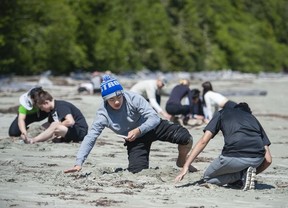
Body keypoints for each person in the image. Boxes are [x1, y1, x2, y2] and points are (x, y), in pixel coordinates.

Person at [64, 75, 197, 174]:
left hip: (152, 126)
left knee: (186, 138)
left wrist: (139, 129)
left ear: (122, 93)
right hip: (135, 139)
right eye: (111, 99)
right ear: (105, 100)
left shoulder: (133, 97)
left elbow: (154, 118)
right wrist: (78, 163)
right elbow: (90, 137)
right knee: (137, 172)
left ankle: (181, 160)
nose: (116, 102)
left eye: (118, 97)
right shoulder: (102, 115)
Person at [175, 102, 272, 191]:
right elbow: (268, 160)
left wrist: (186, 166)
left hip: (233, 156)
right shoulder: (253, 119)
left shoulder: (222, 113)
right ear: (248, 113)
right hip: (257, 158)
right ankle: (243, 176)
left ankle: (241, 175)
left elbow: (203, 141)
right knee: (239, 168)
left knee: (207, 178)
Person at [24, 90, 88, 144]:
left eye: (41, 107)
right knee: (48, 125)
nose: (41, 110)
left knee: (55, 125)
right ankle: (32, 137)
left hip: (80, 132)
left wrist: (55, 126)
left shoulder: (61, 106)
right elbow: (48, 124)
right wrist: (39, 129)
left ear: (46, 103)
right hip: (69, 131)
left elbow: (70, 121)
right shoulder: (52, 110)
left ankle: (34, 140)